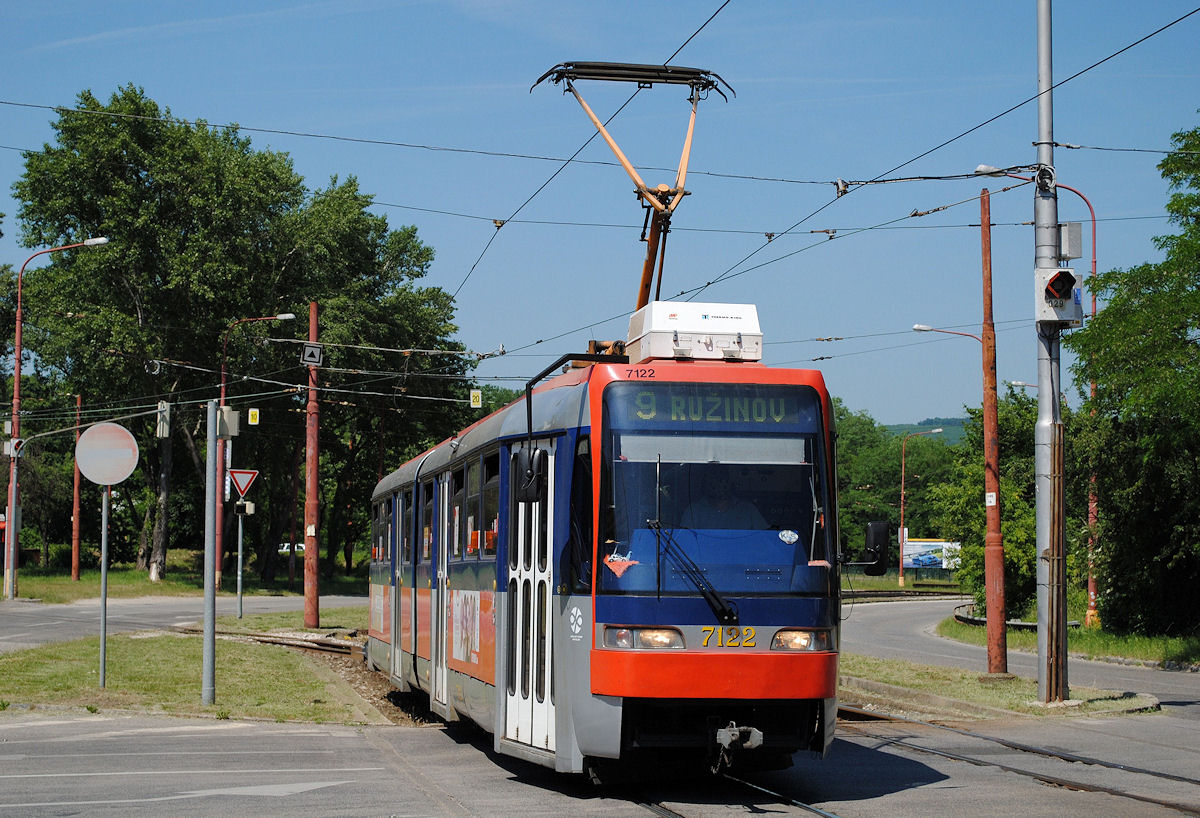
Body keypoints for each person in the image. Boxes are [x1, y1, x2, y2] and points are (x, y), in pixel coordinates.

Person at [679, 472, 767, 530]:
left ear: (730, 484)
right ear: (705, 486)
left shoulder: (748, 510)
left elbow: (765, 538)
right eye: (713, 483)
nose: (719, 486)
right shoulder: (693, 511)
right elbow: (684, 541)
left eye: (722, 481)